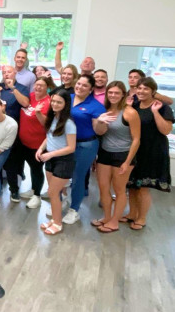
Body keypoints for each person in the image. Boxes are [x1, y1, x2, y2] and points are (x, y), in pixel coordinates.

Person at [126, 77, 175, 230]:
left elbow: (165, 130)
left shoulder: (162, 107)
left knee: (143, 187)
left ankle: (142, 218)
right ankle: (132, 214)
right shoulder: (134, 104)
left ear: (153, 91)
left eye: (145, 89)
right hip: (136, 149)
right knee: (132, 185)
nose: (141, 91)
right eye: (139, 88)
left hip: (153, 151)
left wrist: (155, 112)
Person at [92, 81, 140, 233]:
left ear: (123, 95)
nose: (113, 95)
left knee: (119, 190)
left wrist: (127, 162)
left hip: (123, 155)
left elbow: (136, 139)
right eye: (110, 93)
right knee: (103, 188)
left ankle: (114, 221)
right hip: (105, 153)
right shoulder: (104, 110)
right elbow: (99, 132)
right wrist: (100, 121)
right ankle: (107, 217)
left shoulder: (130, 113)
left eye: (117, 93)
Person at [63, 75, 109, 225]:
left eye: (84, 85)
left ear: (91, 89)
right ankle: (61, 200)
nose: (80, 87)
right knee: (58, 173)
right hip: (63, 143)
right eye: (79, 84)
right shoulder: (67, 98)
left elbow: (99, 131)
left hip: (85, 146)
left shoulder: (96, 106)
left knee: (77, 177)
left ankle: (74, 209)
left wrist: (101, 122)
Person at [35, 90, 76, 235]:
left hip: (63, 161)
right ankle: (55, 220)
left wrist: (50, 154)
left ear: (66, 104)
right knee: (54, 194)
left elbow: (71, 148)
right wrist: (40, 149)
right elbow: (49, 138)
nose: (55, 104)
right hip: (50, 159)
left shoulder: (69, 123)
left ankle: (58, 223)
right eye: (53, 101)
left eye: (59, 102)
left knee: (52, 192)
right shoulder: (53, 118)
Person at [18, 77, 51, 208]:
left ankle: (37, 195)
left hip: (38, 145)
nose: (38, 87)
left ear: (47, 87)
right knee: (31, 167)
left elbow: (46, 124)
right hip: (24, 142)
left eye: (41, 85)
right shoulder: (30, 96)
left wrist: (37, 112)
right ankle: (32, 189)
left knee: (37, 169)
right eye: (37, 85)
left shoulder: (48, 102)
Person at [0, 65, 30, 202]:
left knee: (11, 163)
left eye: (9, 72)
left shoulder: (21, 88)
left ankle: (14, 190)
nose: (6, 74)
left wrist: (13, 88)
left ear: (15, 73)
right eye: (4, 72)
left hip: (14, 131)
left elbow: (25, 103)